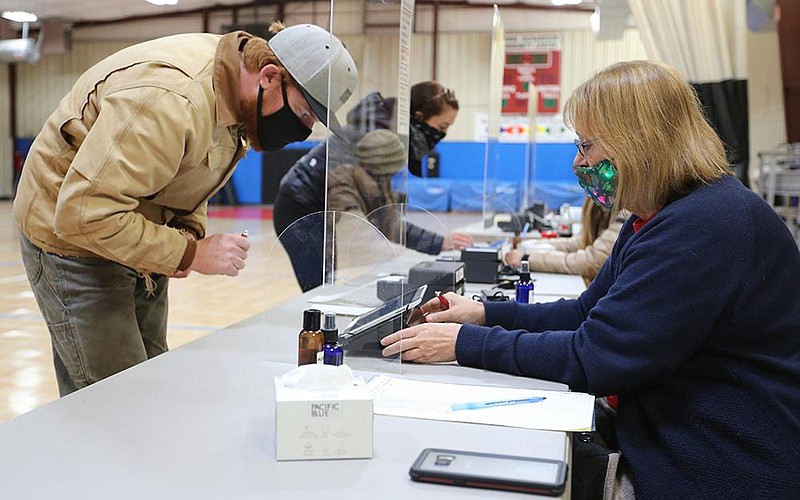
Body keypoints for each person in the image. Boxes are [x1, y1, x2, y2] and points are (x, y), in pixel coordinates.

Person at [380, 60, 800, 498]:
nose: (579, 161)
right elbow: (586, 312)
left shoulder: (706, 225)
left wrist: (462, 342)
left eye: (587, 145)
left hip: (715, 467)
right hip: (675, 434)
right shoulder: (659, 217)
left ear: (638, 141)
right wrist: (484, 313)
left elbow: (595, 358)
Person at [13, 22, 358, 396]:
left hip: (132, 226)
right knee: (114, 397)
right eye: (305, 114)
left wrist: (188, 232)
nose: (304, 129)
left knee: (152, 375)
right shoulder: (172, 98)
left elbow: (191, 170)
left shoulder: (237, 94)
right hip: (73, 239)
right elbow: (85, 213)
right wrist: (191, 254)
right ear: (270, 77)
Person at [273, 81, 473, 291]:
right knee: (319, 290)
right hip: (300, 207)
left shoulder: (383, 130)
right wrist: (436, 242)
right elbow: (383, 218)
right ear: (419, 117)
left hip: (317, 209)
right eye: (442, 127)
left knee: (325, 286)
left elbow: (381, 213)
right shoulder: (378, 139)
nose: (442, 135)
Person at [504, 197, 630, 284]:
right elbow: (579, 243)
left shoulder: (627, 211)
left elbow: (592, 261)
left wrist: (527, 259)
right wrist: (527, 246)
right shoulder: (612, 204)